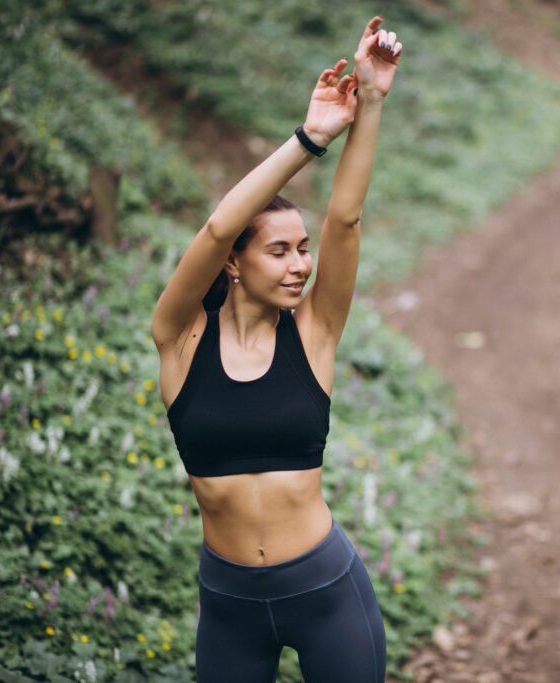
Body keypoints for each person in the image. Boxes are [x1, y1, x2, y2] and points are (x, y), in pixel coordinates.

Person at [149, 16, 402, 682]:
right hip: (230, 607)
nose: (300, 266)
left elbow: (345, 220)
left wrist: (371, 102)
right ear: (234, 263)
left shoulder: (314, 333)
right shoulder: (180, 338)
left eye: (303, 250)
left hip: (327, 595)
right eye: (279, 250)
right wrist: (308, 140)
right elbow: (216, 228)